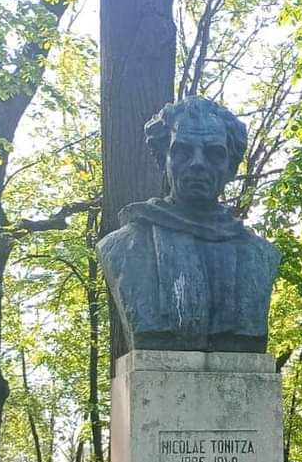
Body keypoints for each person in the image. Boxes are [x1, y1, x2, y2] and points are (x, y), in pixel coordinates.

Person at [98, 96, 279, 353]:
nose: (198, 163)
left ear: (230, 167)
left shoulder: (259, 254)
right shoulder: (122, 247)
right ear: (164, 159)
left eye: (214, 153)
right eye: (182, 151)